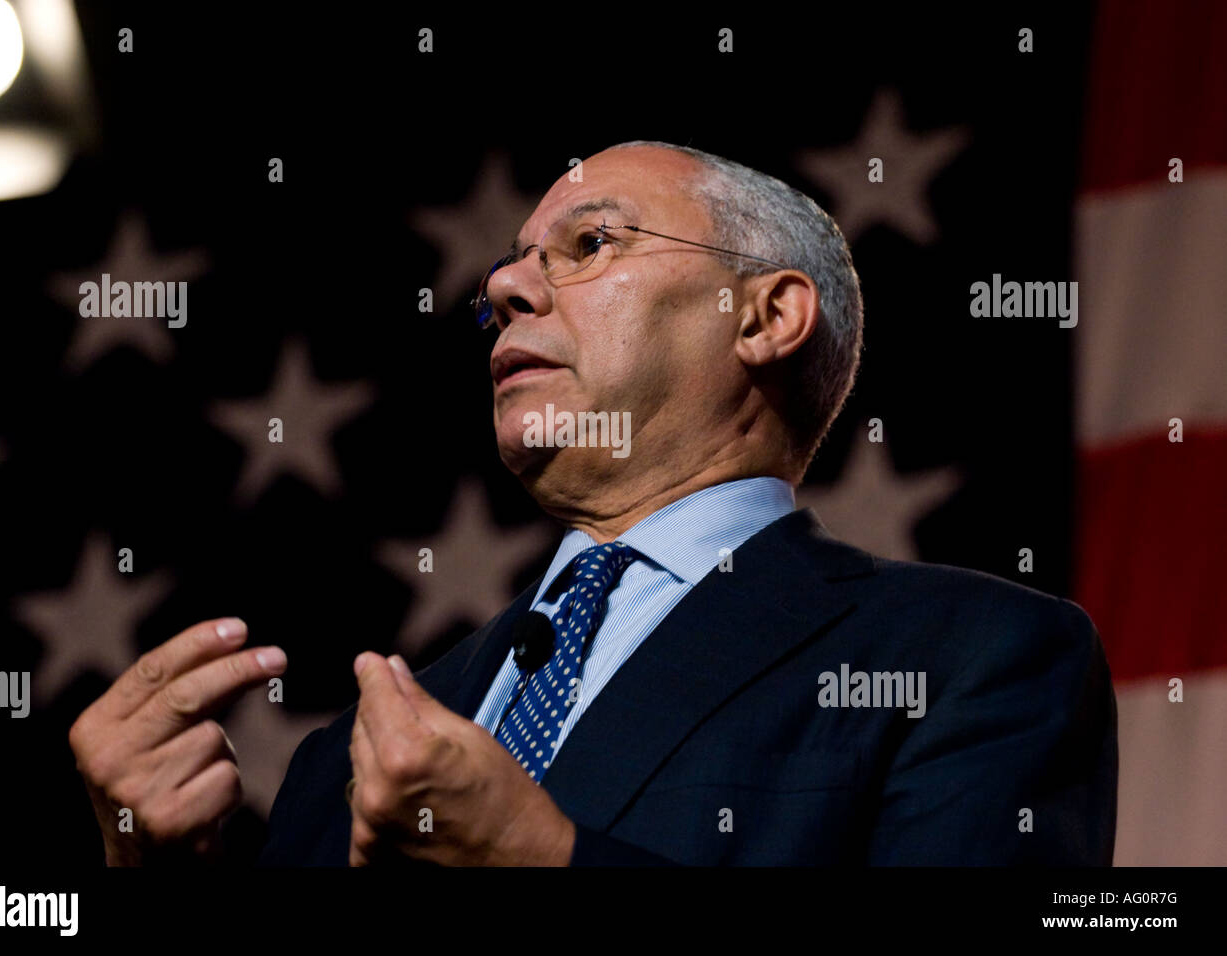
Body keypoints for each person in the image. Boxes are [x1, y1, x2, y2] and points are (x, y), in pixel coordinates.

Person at [70, 141, 1118, 867]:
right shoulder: (343, 755)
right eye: (506, 279)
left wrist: (545, 860)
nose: (507, 292)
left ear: (762, 314)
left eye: (588, 246)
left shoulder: (969, 656)